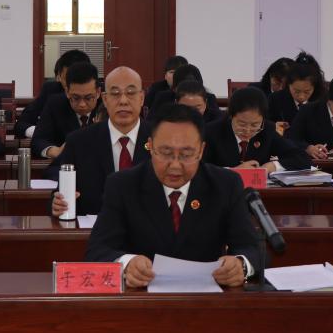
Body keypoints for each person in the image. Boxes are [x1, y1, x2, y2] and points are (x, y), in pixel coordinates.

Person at [85, 104, 262, 288]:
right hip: (142, 297)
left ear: (201, 150)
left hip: (206, 298)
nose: (175, 165)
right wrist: (127, 264)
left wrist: (240, 265)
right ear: (150, 146)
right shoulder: (122, 185)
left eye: (186, 154)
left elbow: (252, 248)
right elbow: (97, 251)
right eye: (166, 153)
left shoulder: (225, 184)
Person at [48, 65, 152, 217]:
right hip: (95, 229)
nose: (123, 101)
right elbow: (61, 194)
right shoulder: (79, 142)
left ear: (142, 98)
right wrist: (57, 204)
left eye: (130, 93)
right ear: (104, 99)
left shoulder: (161, 139)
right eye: (115, 93)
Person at [203, 87, 311, 172]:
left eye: (254, 125)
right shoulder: (211, 131)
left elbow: (301, 157)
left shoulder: (267, 129)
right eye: (242, 124)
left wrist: (273, 166)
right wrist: (234, 170)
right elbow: (200, 167)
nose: (248, 130)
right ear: (231, 116)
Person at [14, 49, 91, 138]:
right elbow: (21, 124)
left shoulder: (99, 93)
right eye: (68, 79)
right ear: (59, 77)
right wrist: (40, 132)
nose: (72, 85)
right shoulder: (51, 91)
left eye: (78, 79)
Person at [32, 62, 102, 159]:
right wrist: (55, 151)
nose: (82, 104)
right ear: (67, 92)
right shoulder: (55, 104)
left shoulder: (107, 106)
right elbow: (38, 141)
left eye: (88, 98)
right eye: (76, 98)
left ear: (98, 92)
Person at [267, 52, 325, 126]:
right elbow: (266, 125)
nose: (301, 97)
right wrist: (276, 126)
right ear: (289, 85)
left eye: (307, 92)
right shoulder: (275, 99)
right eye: (296, 91)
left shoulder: (323, 101)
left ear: (315, 87)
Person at [146, 64, 219, 120]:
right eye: (184, 90)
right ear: (174, 89)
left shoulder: (209, 98)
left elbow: (217, 124)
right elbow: (151, 123)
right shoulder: (163, 97)